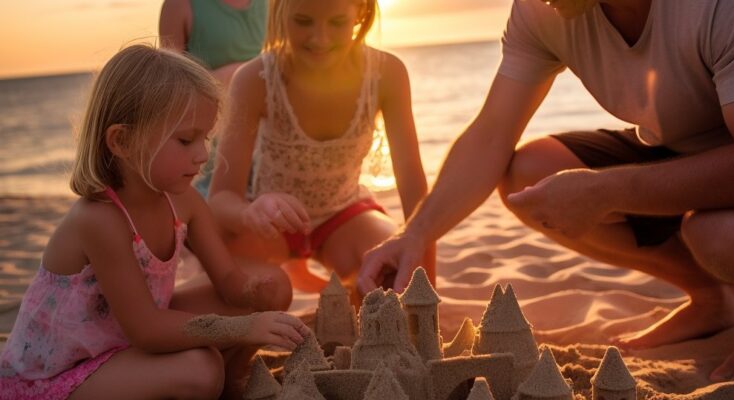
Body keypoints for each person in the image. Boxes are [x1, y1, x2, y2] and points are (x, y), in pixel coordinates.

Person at [358, 0, 734, 381]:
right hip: (681, 144)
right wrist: (415, 232)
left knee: (718, 236)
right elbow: (492, 132)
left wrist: (609, 190)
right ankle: (715, 300)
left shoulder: (725, 8)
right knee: (531, 175)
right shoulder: (542, 9)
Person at [0, 45, 308, 400]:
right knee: (200, 369)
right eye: (185, 139)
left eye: (205, 138)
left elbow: (227, 279)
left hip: (123, 341)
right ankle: (213, 378)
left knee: (276, 285)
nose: (203, 154)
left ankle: (234, 381)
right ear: (122, 141)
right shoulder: (99, 219)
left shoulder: (183, 201)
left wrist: (256, 293)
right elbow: (145, 328)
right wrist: (245, 327)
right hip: (64, 374)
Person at [208, 0, 434, 298]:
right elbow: (220, 200)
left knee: (389, 281)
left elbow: (412, 186)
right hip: (271, 223)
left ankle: (331, 278)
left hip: (343, 215)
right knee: (259, 293)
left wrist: (426, 286)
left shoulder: (386, 73)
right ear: (279, 12)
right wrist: (249, 213)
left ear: (361, 13)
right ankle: (293, 271)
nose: (319, 39)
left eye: (337, 22)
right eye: (303, 21)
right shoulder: (255, 79)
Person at [159, 0, 268, 198]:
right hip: (210, 148)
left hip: (267, 144)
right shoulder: (179, 5)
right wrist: (237, 78)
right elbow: (168, 92)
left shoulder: (276, 4)